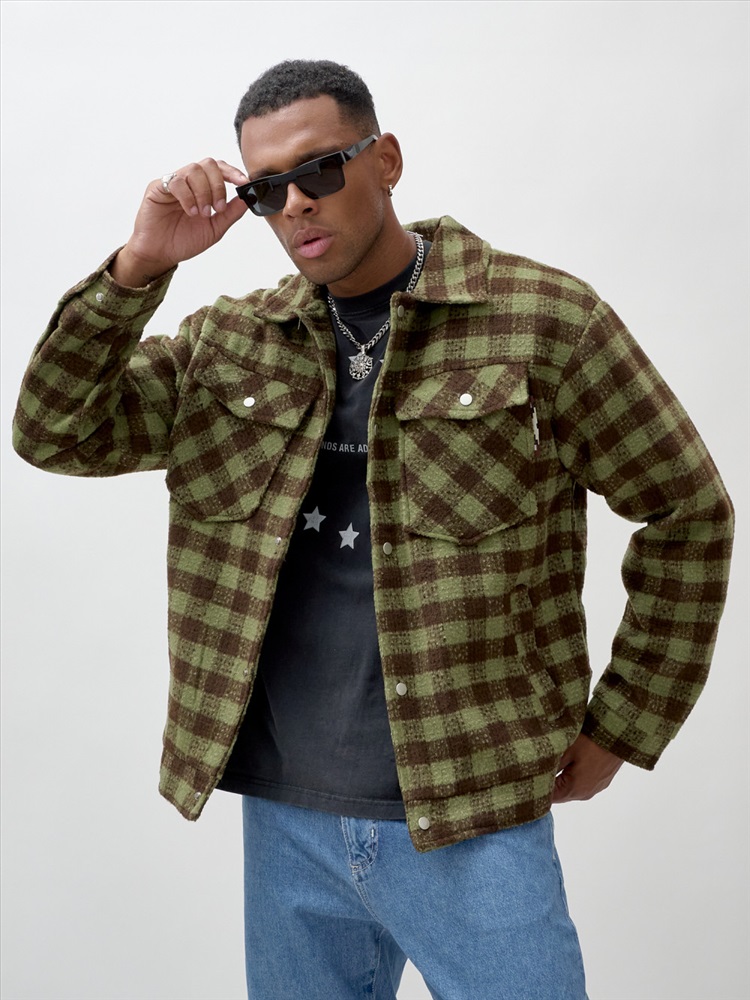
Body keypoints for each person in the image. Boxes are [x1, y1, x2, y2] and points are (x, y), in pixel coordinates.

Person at [13, 59, 733, 1000]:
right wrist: (140, 267)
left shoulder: (542, 321)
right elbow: (55, 431)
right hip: (286, 817)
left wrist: (627, 724)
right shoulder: (229, 343)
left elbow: (687, 512)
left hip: (475, 813)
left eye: (320, 169)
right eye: (266, 190)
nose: (296, 206)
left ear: (386, 159)